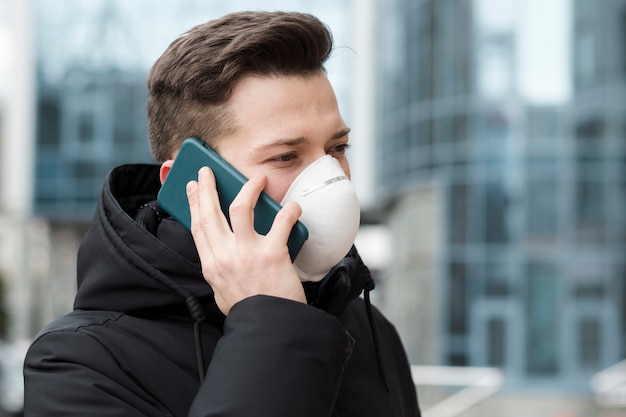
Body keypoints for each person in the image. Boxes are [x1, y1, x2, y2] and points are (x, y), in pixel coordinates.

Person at [24, 11, 420, 417]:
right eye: (286, 156)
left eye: (337, 148)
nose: (331, 176)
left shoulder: (365, 325)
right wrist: (275, 324)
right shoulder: (78, 364)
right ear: (188, 185)